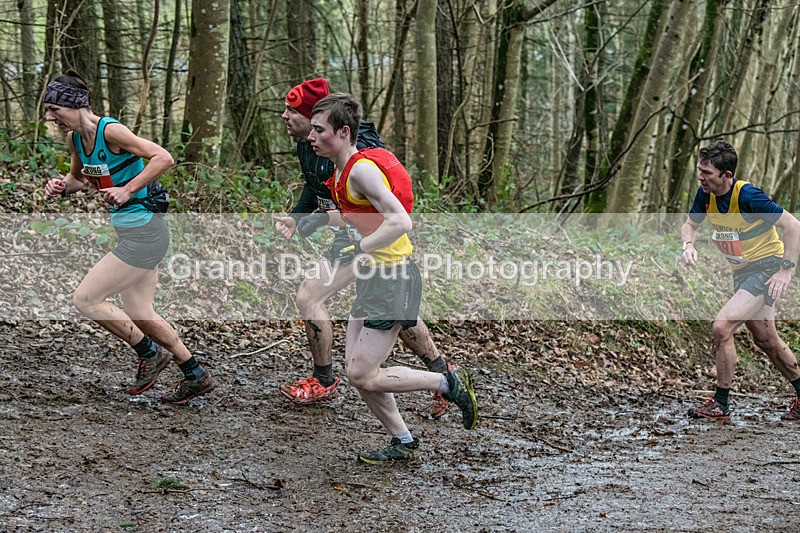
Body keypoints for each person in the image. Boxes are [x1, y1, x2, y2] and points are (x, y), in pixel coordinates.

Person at [305, 92, 478, 463]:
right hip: (375, 276)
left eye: (319, 130)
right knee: (359, 371)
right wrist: (322, 218)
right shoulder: (341, 170)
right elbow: (363, 215)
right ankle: (403, 441)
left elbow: (401, 221)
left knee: (362, 374)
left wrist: (362, 248)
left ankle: (448, 382)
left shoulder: (362, 169)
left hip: (393, 277)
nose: (311, 136)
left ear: (344, 132)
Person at [274, 78, 453, 417]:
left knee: (382, 310)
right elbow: (316, 187)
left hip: (369, 240)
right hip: (348, 234)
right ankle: (440, 373)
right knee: (389, 313)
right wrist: (299, 218)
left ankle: (442, 377)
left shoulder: (355, 147)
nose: (285, 116)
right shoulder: (307, 145)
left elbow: (388, 206)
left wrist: (363, 239)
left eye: (292, 111)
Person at [43, 70, 215, 405]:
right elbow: (79, 179)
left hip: (146, 233)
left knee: (86, 299)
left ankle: (149, 353)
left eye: (54, 109)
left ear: (75, 105)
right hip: (131, 232)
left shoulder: (112, 132)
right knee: (141, 312)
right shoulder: (77, 140)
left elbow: (163, 157)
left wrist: (128, 188)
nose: (50, 117)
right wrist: (62, 187)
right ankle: (195, 374)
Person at [680, 140, 800, 421]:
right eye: (700, 170)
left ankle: (721, 403)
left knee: (722, 327)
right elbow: (690, 225)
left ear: (726, 175)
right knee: (766, 339)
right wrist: (688, 245)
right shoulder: (705, 195)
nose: (701, 177)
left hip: (767, 267)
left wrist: (786, 270)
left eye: (707, 173)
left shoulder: (748, 197)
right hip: (743, 272)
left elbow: (793, 226)